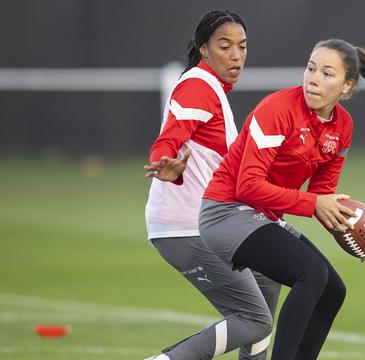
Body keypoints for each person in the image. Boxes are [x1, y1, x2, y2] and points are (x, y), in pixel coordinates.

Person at [199, 39, 365, 359]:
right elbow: (247, 186)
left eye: (327, 73)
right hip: (226, 212)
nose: (314, 78)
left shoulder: (343, 125)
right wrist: (316, 203)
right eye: (311, 68)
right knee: (311, 274)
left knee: (333, 291)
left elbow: (323, 194)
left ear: (347, 85)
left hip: (264, 218)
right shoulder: (277, 108)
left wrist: (358, 236)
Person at [143, 10, 280, 360]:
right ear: (204, 48)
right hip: (186, 228)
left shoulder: (211, 88)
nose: (236, 55)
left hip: (208, 224)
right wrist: (165, 162)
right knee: (253, 319)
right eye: (225, 46)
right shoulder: (198, 87)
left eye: (242, 46)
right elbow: (170, 136)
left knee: (269, 275)